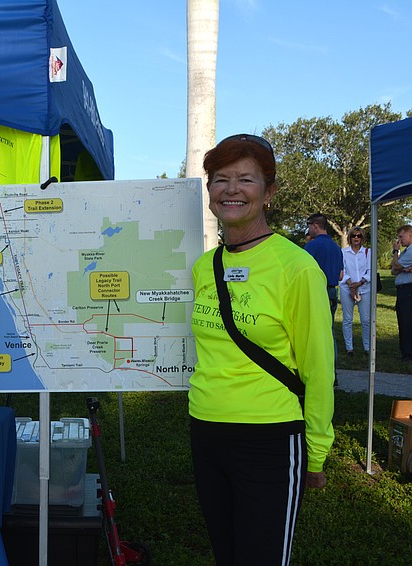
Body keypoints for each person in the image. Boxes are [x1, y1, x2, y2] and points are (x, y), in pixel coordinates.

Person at [189, 134, 335, 565]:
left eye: (246, 179)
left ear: (268, 193)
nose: (231, 189)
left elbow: (318, 366)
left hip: (269, 436)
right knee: (226, 553)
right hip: (206, 428)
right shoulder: (205, 267)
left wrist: (317, 450)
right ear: (210, 191)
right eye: (220, 179)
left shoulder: (297, 268)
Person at [340, 227, 372, 355]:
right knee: (347, 319)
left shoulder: (367, 252)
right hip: (346, 288)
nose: (356, 238)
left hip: (364, 288)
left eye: (359, 236)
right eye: (353, 235)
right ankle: (349, 348)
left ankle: (367, 347)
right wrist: (351, 285)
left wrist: (360, 283)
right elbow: (342, 270)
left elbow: (370, 271)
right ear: (350, 238)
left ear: (362, 238)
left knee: (366, 320)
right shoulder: (343, 252)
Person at [391, 225, 412, 362]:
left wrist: (395, 251)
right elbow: (393, 270)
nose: (399, 240)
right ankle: (404, 351)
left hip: (408, 289)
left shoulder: (410, 251)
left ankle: (408, 353)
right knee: (402, 320)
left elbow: (396, 265)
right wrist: (401, 267)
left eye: (401, 236)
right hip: (402, 289)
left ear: (410, 235)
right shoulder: (405, 252)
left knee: (407, 321)